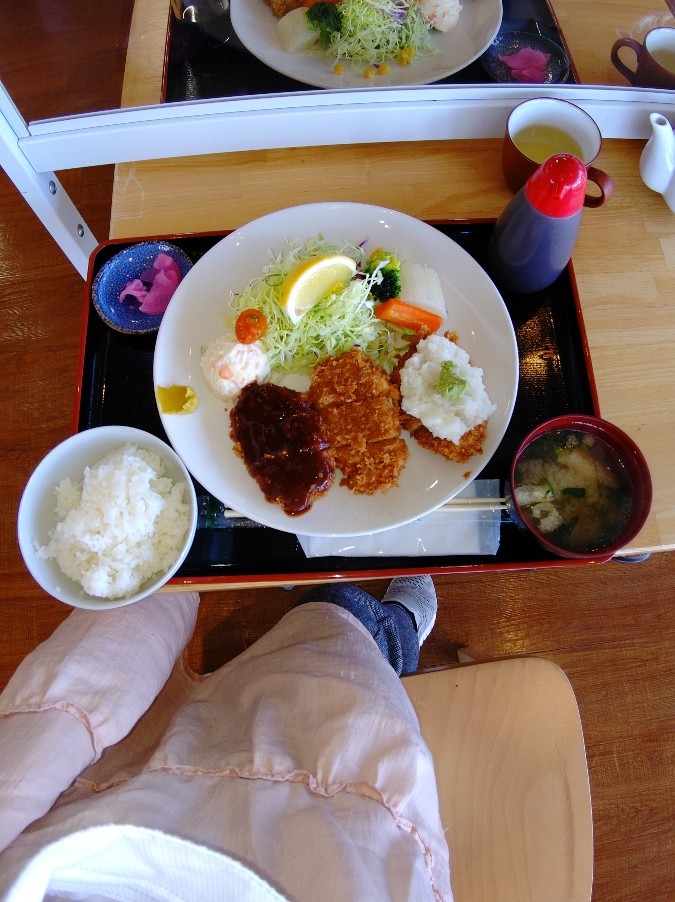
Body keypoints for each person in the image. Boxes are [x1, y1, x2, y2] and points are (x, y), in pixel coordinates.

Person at [0, 577, 452, 901]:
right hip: (330, 819)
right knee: (335, 623)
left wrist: (167, 576)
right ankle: (395, 631)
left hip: (107, 791)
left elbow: (69, 703)